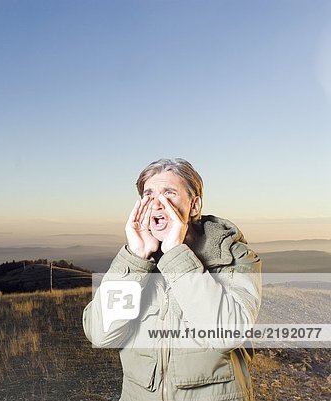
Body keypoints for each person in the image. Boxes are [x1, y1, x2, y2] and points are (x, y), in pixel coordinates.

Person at [82, 158, 262, 401]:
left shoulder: (234, 255)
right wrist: (136, 257)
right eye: (149, 194)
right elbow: (101, 334)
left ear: (195, 205)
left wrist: (176, 253)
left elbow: (228, 333)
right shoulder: (135, 260)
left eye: (169, 193)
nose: (157, 203)